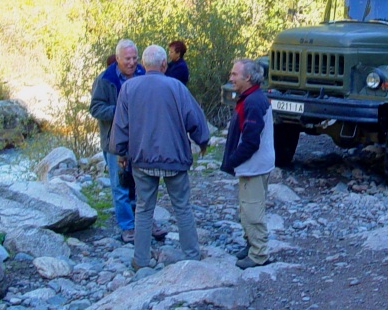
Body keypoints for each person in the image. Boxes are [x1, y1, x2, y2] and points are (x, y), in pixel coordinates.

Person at [110, 45, 210, 269]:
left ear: (143, 65)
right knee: (182, 207)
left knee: (144, 209)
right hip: (175, 158)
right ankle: (192, 256)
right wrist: (202, 140)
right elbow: (194, 117)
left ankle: (141, 260)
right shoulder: (176, 86)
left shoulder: (129, 88)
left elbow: (121, 124)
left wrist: (120, 152)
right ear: (164, 64)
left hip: (142, 160)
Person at [221, 59, 275, 269]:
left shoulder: (252, 102)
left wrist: (232, 161)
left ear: (248, 77)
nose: (231, 78)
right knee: (246, 208)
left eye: (235, 74)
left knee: (252, 211)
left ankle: (259, 254)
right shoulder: (251, 98)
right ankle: (251, 245)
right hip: (255, 165)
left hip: (254, 166)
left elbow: (251, 141)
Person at [90, 39, 145, 243]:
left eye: (134, 58)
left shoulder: (143, 74)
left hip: (139, 141)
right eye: (127, 59)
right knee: (120, 185)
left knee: (141, 183)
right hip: (114, 142)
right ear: (118, 59)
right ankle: (127, 226)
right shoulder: (105, 79)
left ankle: (144, 221)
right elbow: (95, 108)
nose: (131, 63)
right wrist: (120, 112)